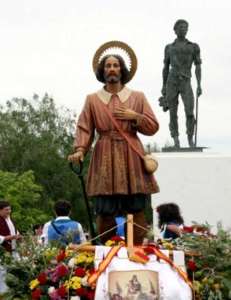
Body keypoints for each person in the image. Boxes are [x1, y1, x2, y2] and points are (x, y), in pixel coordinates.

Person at [68, 43, 159, 245]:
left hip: (131, 153)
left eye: (116, 65)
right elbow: (84, 127)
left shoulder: (137, 97)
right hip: (104, 153)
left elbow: (152, 127)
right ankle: (106, 251)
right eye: (108, 66)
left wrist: (136, 116)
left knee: (135, 205)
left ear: (122, 70)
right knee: (105, 207)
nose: (112, 69)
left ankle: (135, 251)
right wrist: (80, 150)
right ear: (102, 71)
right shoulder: (93, 100)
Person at [161, 19, 202, 148]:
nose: (184, 29)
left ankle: (190, 138)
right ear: (175, 30)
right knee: (172, 112)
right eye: (181, 27)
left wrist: (199, 84)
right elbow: (165, 67)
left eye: (185, 27)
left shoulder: (193, 46)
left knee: (189, 111)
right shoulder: (169, 47)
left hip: (186, 81)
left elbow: (198, 66)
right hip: (171, 81)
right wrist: (163, 85)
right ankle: (176, 140)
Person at [0, 201, 23, 299]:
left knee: (13, 279)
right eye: (6, 210)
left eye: (9, 209)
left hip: (12, 253)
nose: (9, 211)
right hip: (1, 255)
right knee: (1, 281)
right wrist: (9, 237)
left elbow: (15, 233)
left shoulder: (11, 220)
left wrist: (19, 237)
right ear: (0, 210)